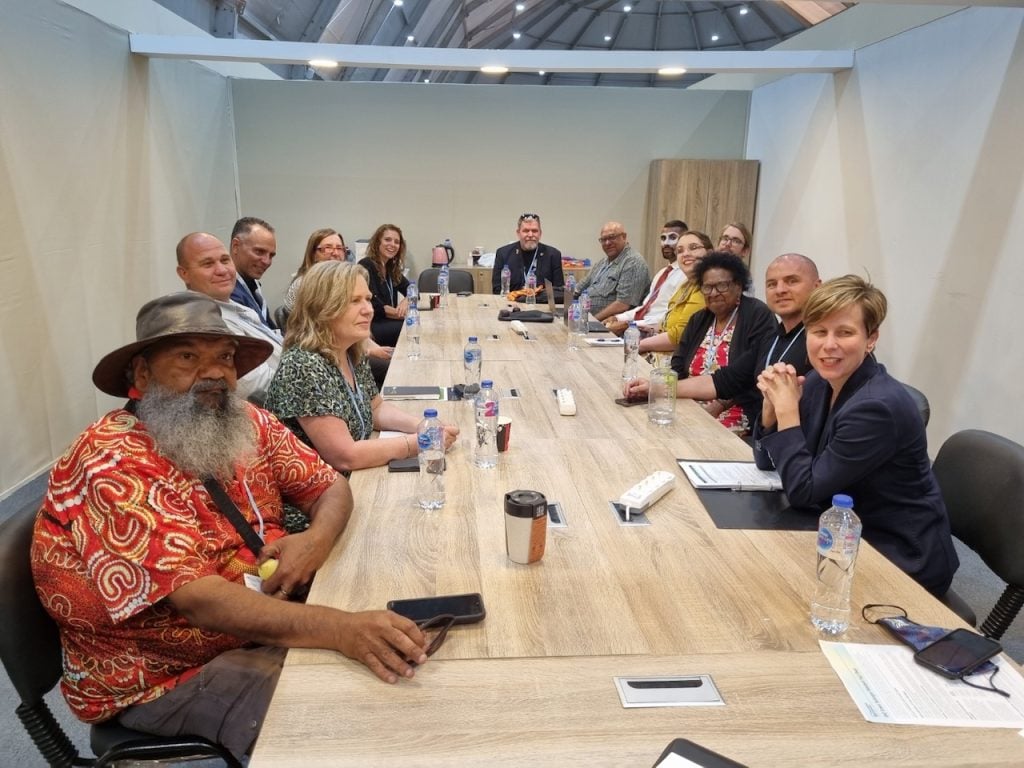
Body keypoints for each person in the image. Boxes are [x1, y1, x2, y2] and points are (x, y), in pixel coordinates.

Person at [31, 292, 431, 762]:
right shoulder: (111, 461)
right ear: (141, 374)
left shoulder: (245, 421)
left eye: (223, 357)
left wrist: (314, 541)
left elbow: (330, 486)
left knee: (411, 652)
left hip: (261, 615)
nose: (215, 372)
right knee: (345, 723)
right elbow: (202, 602)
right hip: (163, 672)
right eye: (187, 357)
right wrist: (339, 629)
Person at [752, 276, 959, 595]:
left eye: (845, 332)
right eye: (819, 331)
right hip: (840, 528)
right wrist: (771, 409)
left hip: (898, 556)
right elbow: (766, 462)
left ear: (871, 338)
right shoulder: (822, 382)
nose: (829, 345)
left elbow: (803, 490)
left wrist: (788, 412)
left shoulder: (876, 408)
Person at [265, 261, 458, 473]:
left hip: (355, 477)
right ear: (322, 308)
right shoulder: (303, 365)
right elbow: (345, 457)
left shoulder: (350, 350)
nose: (368, 310)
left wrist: (425, 426)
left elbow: (375, 408)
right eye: (354, 301)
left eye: (367, 299)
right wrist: (419, 442)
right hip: (320, 497)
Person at [627, 253, 821, 426]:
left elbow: (740, 385)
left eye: (792, 281)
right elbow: (724, 380)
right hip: (761, 437)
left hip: (747, 424)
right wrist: (656, 387)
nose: (780, 290)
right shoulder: (775, 338)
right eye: (772, 284)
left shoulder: (816, 341)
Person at [666, 252, 775, 433]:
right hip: (690, 399)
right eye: (707, 287)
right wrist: (679, 394)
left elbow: (749, 374)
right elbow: (678, 361)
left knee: (693, 436)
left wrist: (719, 404)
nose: (714, 293)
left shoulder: (757, 315)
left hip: (735, 405)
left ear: (739, 286)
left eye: (722, 286)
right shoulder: (699, 318)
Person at [176, 231, 283, 403]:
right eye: (207, 264)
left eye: (225, 260)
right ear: (184, 273)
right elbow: (256, 387)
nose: (222, 270)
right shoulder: (205, 323)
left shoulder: (236, 307)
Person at [604, 219, 687, 336]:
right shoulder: (662, 273)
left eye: (672, 238)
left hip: (655, 331)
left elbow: (670, 317)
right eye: (663, 238)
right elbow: (645, 307)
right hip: (639, 326)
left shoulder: (685, 276)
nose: (666, 243)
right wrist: (617, 318)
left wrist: (630, 324)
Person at [635, 230, 712, 355]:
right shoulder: (686, 285)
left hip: (675, 363)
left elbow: (680, 335)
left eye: (693, 248)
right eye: (680, 250)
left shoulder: (706, 287)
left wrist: (638, 345)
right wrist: (652, 329)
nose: (685, 254)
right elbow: (669, 322)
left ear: (709, 253)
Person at [574, 221, 650, 321]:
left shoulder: (633, 263)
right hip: (583, 318)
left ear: (624, 237)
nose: (607, 243)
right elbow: (579, 287)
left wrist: (593, 321)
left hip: (608, 325)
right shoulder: (602, 262)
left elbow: (623, 304)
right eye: (603, 239)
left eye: (612, 237)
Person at [358, 224, 412, 347]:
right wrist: (401, 314)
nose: (392, 244)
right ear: (378, 242)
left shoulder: (391, 268)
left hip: (389, 321)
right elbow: (376, 306)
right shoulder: (366, 266)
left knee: (414, 325)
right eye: (387, 240)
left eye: (396, 242)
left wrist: (406, 300)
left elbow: (411, 288)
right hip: (373, 325)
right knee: (413, 327)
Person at [490, 213, 564, 296]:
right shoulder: (503, 253)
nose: (530, 235)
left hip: (542, 305)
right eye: (526, 231)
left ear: (540, 233)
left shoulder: (553, 255)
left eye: (534, 231)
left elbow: (559, 291)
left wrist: (537, 294)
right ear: (518, 233)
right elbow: (497, 289)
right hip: (511, 304)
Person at [229, 216, 278, 329]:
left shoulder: (252, 284)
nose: (267, 261)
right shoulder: (228, 292)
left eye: (271, 255)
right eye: (259, 251)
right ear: (236, 246)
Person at [284, 228, 349, 312]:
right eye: (328, 248)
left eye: (339, 248)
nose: (336, 253)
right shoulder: (302, 285)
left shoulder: (346, 281)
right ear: (313, 254)